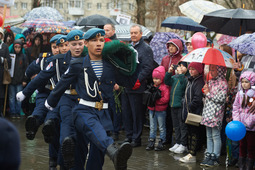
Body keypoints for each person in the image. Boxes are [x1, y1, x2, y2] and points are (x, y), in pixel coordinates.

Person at [45, 28, 138, 170]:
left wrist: (134, 60)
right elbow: (61, 85)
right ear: (86, 43)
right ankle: (113, 152)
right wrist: (49, 104)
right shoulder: (78, 64)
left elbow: (130, 83)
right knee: (93, 129)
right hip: (83, 110)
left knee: (96, 156)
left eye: (101, 40)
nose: (98, 44)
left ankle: (109, 153)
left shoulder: (111, 65)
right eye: (94, 41)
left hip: (105, 114)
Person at [121, 24, 154, 147]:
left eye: (135, 33)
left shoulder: (145, 48)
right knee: (127, 113)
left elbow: (147, 67)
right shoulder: (129, 47)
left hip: (137, 87)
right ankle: (128, 137)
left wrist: (137, 80)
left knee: (137, 114)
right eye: (131, 33)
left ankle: (136, 138)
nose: (133, 35)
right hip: (127, 86)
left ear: (140, 34)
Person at [200, 65, 228, 167]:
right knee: (209, 135)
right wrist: (205, 91)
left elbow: (220, 99)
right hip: (207, 111)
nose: (211, 72)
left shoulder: (223, 83)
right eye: (210, 70)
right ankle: (209, 154)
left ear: (220, 71)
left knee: (215, 135)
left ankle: (215, 156)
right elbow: (207, 97)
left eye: (213, 70)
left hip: (216, 112)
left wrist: (208, 94)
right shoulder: (211, 81)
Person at [179, 62, 205, 163]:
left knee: (194, 133)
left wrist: (189, 107)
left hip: (194, 112)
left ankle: (192, 154)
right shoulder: (191, 80)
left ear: (198, 70)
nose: (191, 71)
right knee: (190, 132)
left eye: (193, 69)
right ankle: (190, 152)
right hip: (188, 112)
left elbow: (197, 99)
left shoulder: (199, 82)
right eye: (190, 69)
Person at [160, 38, 184, 145]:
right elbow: (162, 72)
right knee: (167, 117)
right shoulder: (165, 59)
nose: (170, 48)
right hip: (166, 90)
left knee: (176, 118)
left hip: (176, 90)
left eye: (173, 46)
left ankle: (178, 140)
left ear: (178, 47)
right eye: (169, 46)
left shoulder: (182, 59)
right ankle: (167, 138)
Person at [165, 61, 189, 154]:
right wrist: (169, 72)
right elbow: (167, 81)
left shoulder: (186, 78)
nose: (180, 68)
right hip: (173, 104)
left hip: (181, 106)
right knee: (176, 125)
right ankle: (178, 142)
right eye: (179, 66)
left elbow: (183, 85)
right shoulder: (175, 78)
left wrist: (180, 74)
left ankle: (183, 144)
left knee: (182, 125)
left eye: (183, 66)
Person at [232, 71, 255, 170]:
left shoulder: (253, 95)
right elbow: (235, 107)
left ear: (252, 83)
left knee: (251, 146)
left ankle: (249, 165)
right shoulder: (239, 94)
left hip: (251, 126)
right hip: (240, 126)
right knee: (242, 145)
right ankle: (241, 165)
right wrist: (237, 121)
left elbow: (253, 113)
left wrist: (248, 123)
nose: (244, 84)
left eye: (247, 82)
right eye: (243, 82)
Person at [145, 66, 170, 151]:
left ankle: (162, 141)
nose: (155, 80)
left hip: (161, 110)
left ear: (162, 78)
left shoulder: (164, 87)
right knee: (152, 126)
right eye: (154, 78)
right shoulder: (152, 86)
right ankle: (151, 140)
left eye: (157, 78)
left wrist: (156, 101)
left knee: (162, 127)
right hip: (152, 109)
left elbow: (166, 99)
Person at [8, 39, 28, 118]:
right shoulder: (11, 56)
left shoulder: (23, 56)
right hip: (12, 80)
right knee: (11, 97)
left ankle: (18, 112)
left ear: (21, 48)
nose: (17, 49)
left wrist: (25, 79)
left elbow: (26, 69)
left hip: (20, 80)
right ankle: (13, 112)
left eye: (19, 47)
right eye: (15, 47)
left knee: (18, 97)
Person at [0, 27, 11, 117]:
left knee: (1, 94)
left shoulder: (5, 47)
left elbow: (9, 60)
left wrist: (2, 59)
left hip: (1, 74)